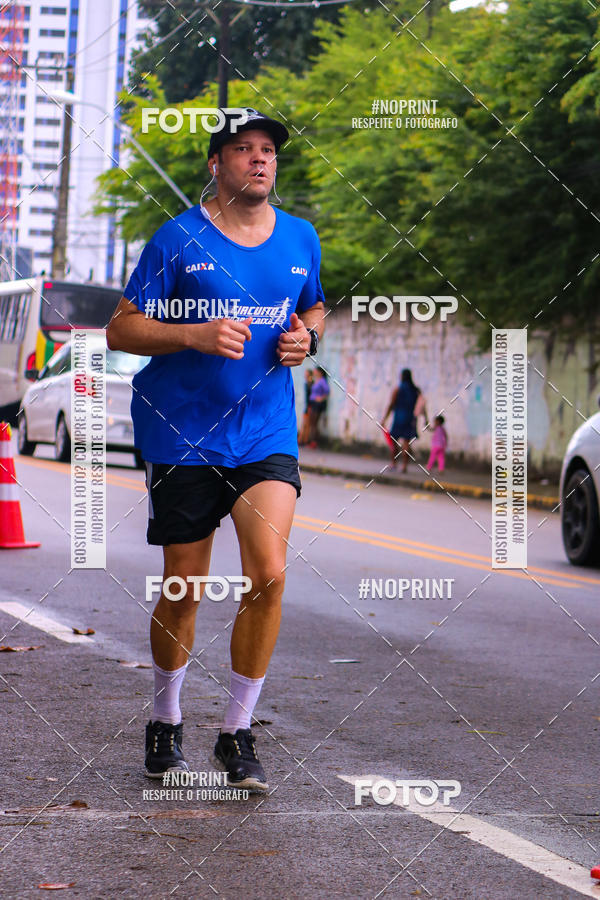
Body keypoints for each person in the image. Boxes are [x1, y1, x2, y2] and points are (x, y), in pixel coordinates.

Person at [106, 108, 325, 792]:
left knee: (270, 574)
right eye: (244, 150)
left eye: (268, 151)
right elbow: (121, 328)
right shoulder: (176, 240)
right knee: (185, 586)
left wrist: (305, 339)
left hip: (265, 432)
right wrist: (192, 335)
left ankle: (236, 734)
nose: (260, 160)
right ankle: (166, 719)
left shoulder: (300, 237)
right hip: (185, 432)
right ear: (216, 164)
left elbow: (312, 306)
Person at [382, 368, 427, 472]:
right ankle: (404, 466)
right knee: (406, 443)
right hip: (411, 419)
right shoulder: (416, 390)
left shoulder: (398, 389)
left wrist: (384, 418)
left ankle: (393, 463)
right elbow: (422, 405)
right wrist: (426, 418)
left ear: (402, 377)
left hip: (399, 418)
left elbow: (391, 405)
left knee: (394, 441)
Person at [307, 366, 330, 448]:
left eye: (316, 371)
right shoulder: (316, 380)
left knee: (314, 423)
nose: (314, 372)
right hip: (312, 403)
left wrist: (321, 398)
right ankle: (313, 441)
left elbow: (327, 392)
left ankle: (314, 442)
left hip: (317, 404)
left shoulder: (323, 381)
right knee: (312, 423)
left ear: (320, 372)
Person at [298, 368, 315, 445]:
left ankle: (304, 440)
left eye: (306, 373)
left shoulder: (311, 384)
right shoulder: (307, 383)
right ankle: (303, 439)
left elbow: (311, 397)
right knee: (305, 423)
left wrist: (309, 406)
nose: (305, 375)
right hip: (308, 405)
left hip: (310, 405)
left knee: (306, 424)